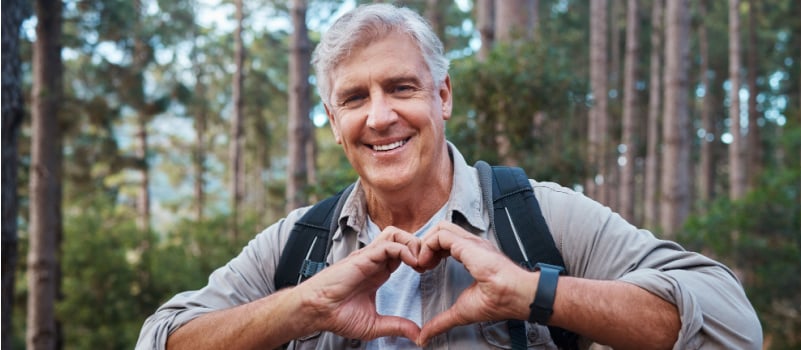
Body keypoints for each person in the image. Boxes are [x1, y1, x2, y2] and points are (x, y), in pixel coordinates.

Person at [137, 4, 762, 349]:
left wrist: (532, 292)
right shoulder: (295, 245)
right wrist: (306, 306)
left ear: (443, 96)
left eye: (402, 87)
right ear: (332, 121)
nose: (381, 117)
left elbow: (732, 324)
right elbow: (162, 339)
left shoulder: (538, 217)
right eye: (355, 98)